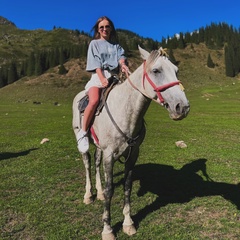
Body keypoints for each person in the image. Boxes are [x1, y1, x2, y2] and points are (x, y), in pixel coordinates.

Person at [77, 16, 129, 153]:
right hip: (98, 77)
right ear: (98, 30)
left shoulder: (116, 46)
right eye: (102, 27)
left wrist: (123, 65)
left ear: (111, 28)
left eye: (107, 26)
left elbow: (121, 57)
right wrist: (101, 78)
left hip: (114, 77)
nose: (105, 29)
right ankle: (83, 133)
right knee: (94, 100)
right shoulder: (94, 44)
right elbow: (96, 63)